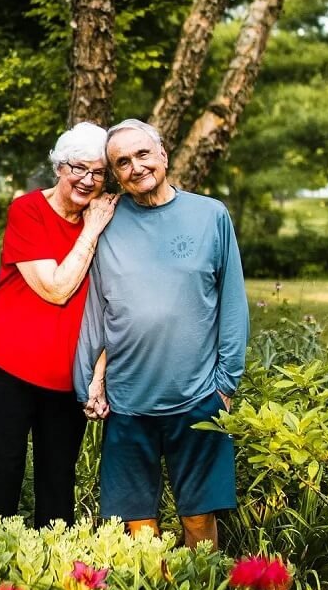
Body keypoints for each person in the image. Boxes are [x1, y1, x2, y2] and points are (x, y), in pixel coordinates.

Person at [74, 118, 249, 549]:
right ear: (115, 174)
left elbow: (232, 303)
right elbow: (95, 311)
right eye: (122, 162)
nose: (135, 167)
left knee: (198, 521)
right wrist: (88, 384)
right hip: (128, 402)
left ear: (163, 155)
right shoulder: (106, 223)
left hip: (197, 397)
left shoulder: (210, 215)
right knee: (138, 530)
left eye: (142, 154)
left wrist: (225, 384)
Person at [0, 121, 117, 528]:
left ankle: (51, 578)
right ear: (58, 167)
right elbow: (56, 289)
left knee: (58, 481)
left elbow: (112, 305)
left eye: (98, 172)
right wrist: (89, 231)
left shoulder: (108, 217)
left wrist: (97, 375)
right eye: (78, 168)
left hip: (68, 371)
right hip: (7, 361)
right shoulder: (28, 210)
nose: (87, 180)